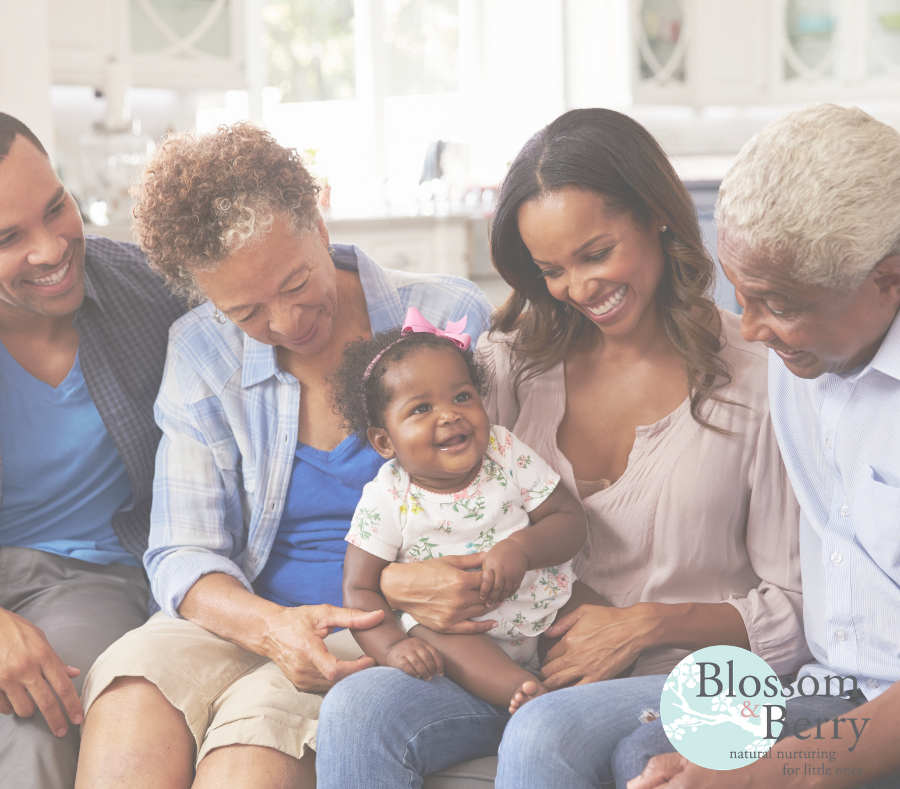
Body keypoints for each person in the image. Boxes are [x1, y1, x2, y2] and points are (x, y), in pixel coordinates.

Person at [315, 108, 810, 789]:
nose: (579, 288)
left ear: (657, 216)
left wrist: (640, 625)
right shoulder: (507, 367)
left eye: (596, 253)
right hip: (521, 662)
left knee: (546, 732)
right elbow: (419, 510)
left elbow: (799, 604)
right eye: (552, 268)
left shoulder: (758, 379)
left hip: (684, 669)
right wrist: (398, 582)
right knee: (356, 708)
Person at [73, 123, 493, 789]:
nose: (289, 321)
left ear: (319, 223)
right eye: (247, 312)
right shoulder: (201, 350)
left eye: (296, 281)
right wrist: (272, 628)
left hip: (379, 626)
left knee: (246, 757)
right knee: (130, 699)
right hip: (244, 613)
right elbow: (183, 550)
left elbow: (507, 502)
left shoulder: (447, 317)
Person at [627, 104, 900, 789]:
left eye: (777, 303)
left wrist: (773, 771)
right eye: (740, 294)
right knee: (633, 755)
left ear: (887, 279)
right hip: (827, 687)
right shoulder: (799, 358)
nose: (749, 330)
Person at [0, 113, 186, 788]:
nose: (52, 250)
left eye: (56, 208)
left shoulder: (147, 290)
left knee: (42, 709)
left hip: (86, 579)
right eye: (8, 238)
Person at [334, 310, 586, 712]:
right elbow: (359, 589)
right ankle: (523, 693)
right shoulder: (388, 495)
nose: (449, 414)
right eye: (421, 409)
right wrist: (395, 646)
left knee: (593, 614)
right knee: (441, 637)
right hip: (460, 632)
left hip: (543, 600)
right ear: (384, 441)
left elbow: (569, 521)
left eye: (462, 397)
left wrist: (523, 548)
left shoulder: (503, 451)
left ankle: (580, 697)